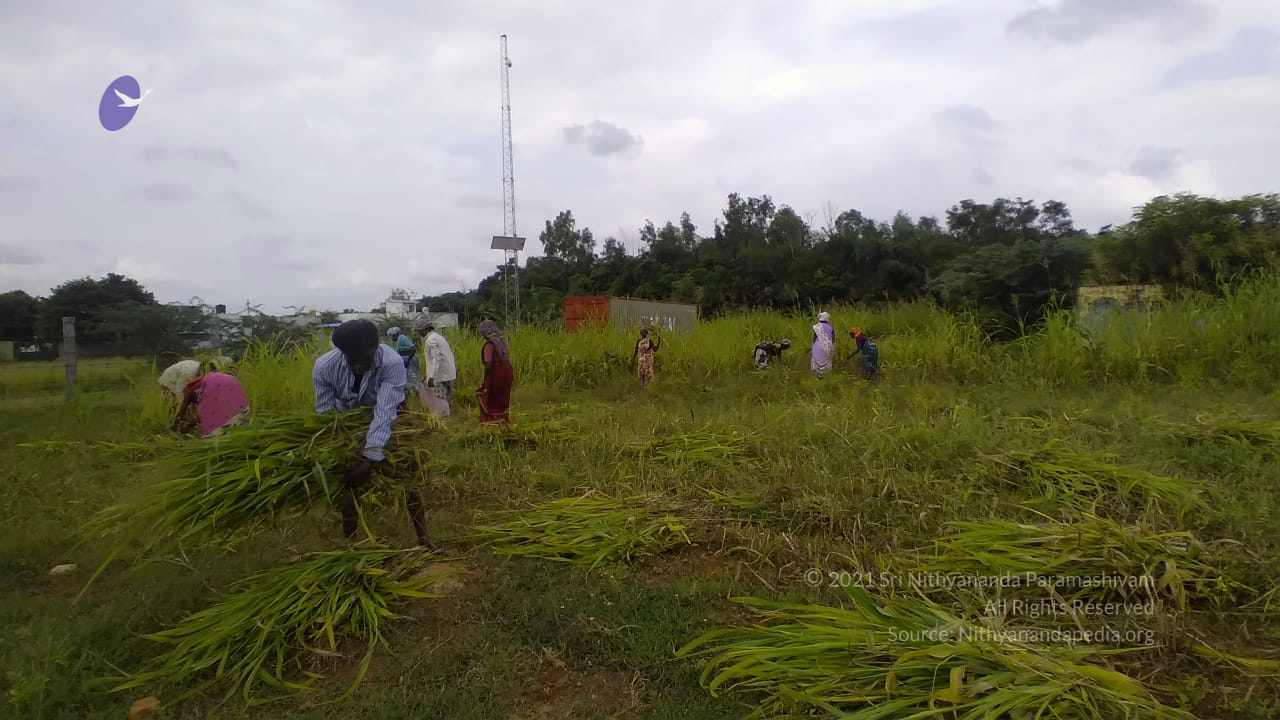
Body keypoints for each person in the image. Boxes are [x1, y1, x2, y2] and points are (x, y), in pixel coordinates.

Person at [313, 319, 429, 546]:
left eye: (364, 358)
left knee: (407, 475)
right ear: (342, 352)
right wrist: (342, 448)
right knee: (349, 482)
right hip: (348, 421)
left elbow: (385, 410)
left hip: (389, 417)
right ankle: (352, 545)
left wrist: (370, 455)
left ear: (376, 347)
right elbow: (326, 414)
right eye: (352, 358)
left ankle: (424, 540)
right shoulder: (324, 367)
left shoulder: (392, 362)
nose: (358, 364)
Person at [174, 360, 251, 436]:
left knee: (215, 427)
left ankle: (226, 431)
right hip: (231, 380)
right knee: (236, 410)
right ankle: (240, 424)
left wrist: (175, 424)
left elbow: (182, 410)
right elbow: (201, 416)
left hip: (215, 385)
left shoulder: (188, 390)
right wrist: (190, 424)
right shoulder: (201, 387)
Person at [415, 317, 457, 416]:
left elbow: (436, 359)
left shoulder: (431, 340)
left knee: (440, 398)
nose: (419, 333)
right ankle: (446, 416)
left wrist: (432, 377)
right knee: (444, 397)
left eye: (419, 331)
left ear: (425, 329)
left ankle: (443, 418)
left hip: (440, 374)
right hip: (446, 372)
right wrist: (428, 375)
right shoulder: (438, 337)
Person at [476, 319, 514, 423]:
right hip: (507, 372)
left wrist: (485, 381)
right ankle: (503, 419)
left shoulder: (489, 344)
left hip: (497, 374)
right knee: (503, 397)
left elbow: (488, 365)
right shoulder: (501, 341)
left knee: (492, 398)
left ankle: (493, 421)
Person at [388, 326, 422, 400]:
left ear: (395, 335)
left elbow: (413, 348)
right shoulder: (397, 341)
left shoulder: (402, 338)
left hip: (411, 361)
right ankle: (414, 396)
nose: (391, 338)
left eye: (391, 336)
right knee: (409, 379)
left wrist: (408, 360)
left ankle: (418, 396)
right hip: (407, 362)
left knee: (413, 378)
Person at [810, 311, 836, 376]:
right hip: (828, 346)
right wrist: (832, 348)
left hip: (818, 346)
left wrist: (812, 347)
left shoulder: (816, 327)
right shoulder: (831, 327)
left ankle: (818, 375)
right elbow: (833, 339)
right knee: (827, 360)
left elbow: (814, 338)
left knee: (817, 360)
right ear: (827, 318)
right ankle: (826, 375)